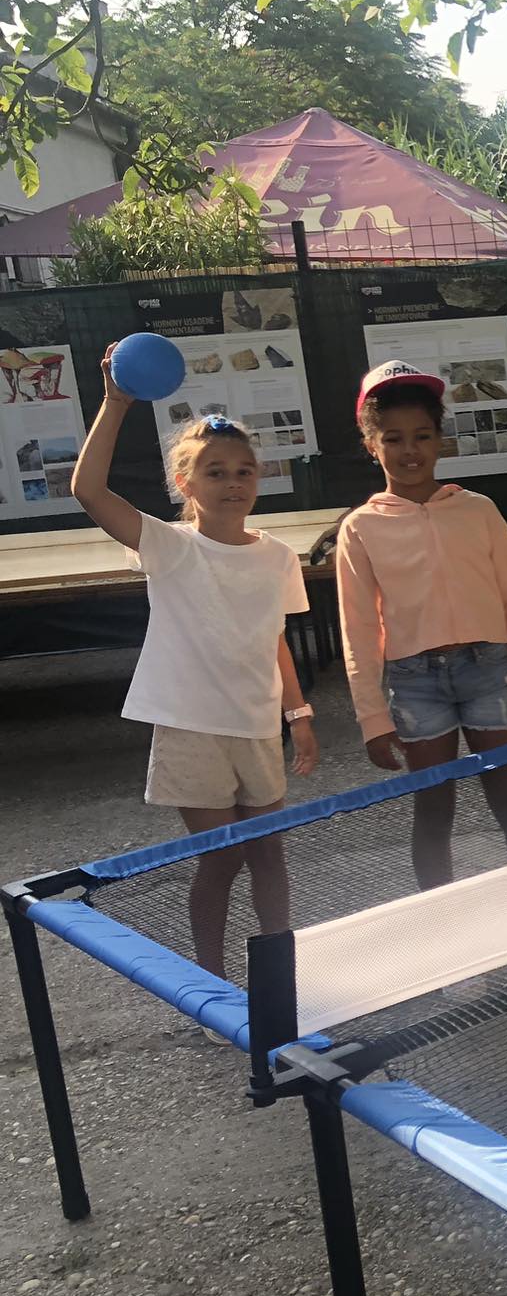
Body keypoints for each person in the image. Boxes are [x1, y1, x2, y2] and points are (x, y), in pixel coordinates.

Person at [70, 353, 318, 982]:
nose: (233, 482)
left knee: (269, 854)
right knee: (222, 858)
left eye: (244, 470)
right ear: (186, 484)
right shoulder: (169, 546)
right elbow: (89, 491)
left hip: (258, 729)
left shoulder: (278, 557)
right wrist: (116, 403)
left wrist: (299, 714)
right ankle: (212, 984)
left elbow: (274, 639)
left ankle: (280, 976)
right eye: (215, 471)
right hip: (191, 731)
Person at [337, 360, 507, 890]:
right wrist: (372, 717)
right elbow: (358, 629)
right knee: (433, 806)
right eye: (393, 438)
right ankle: (442, 923)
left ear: (440, 441)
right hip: (415, 683)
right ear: (371, 446)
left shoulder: (479, 511)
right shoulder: (360, 528)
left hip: (489, 671)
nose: (410, 450)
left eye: (423, 435)